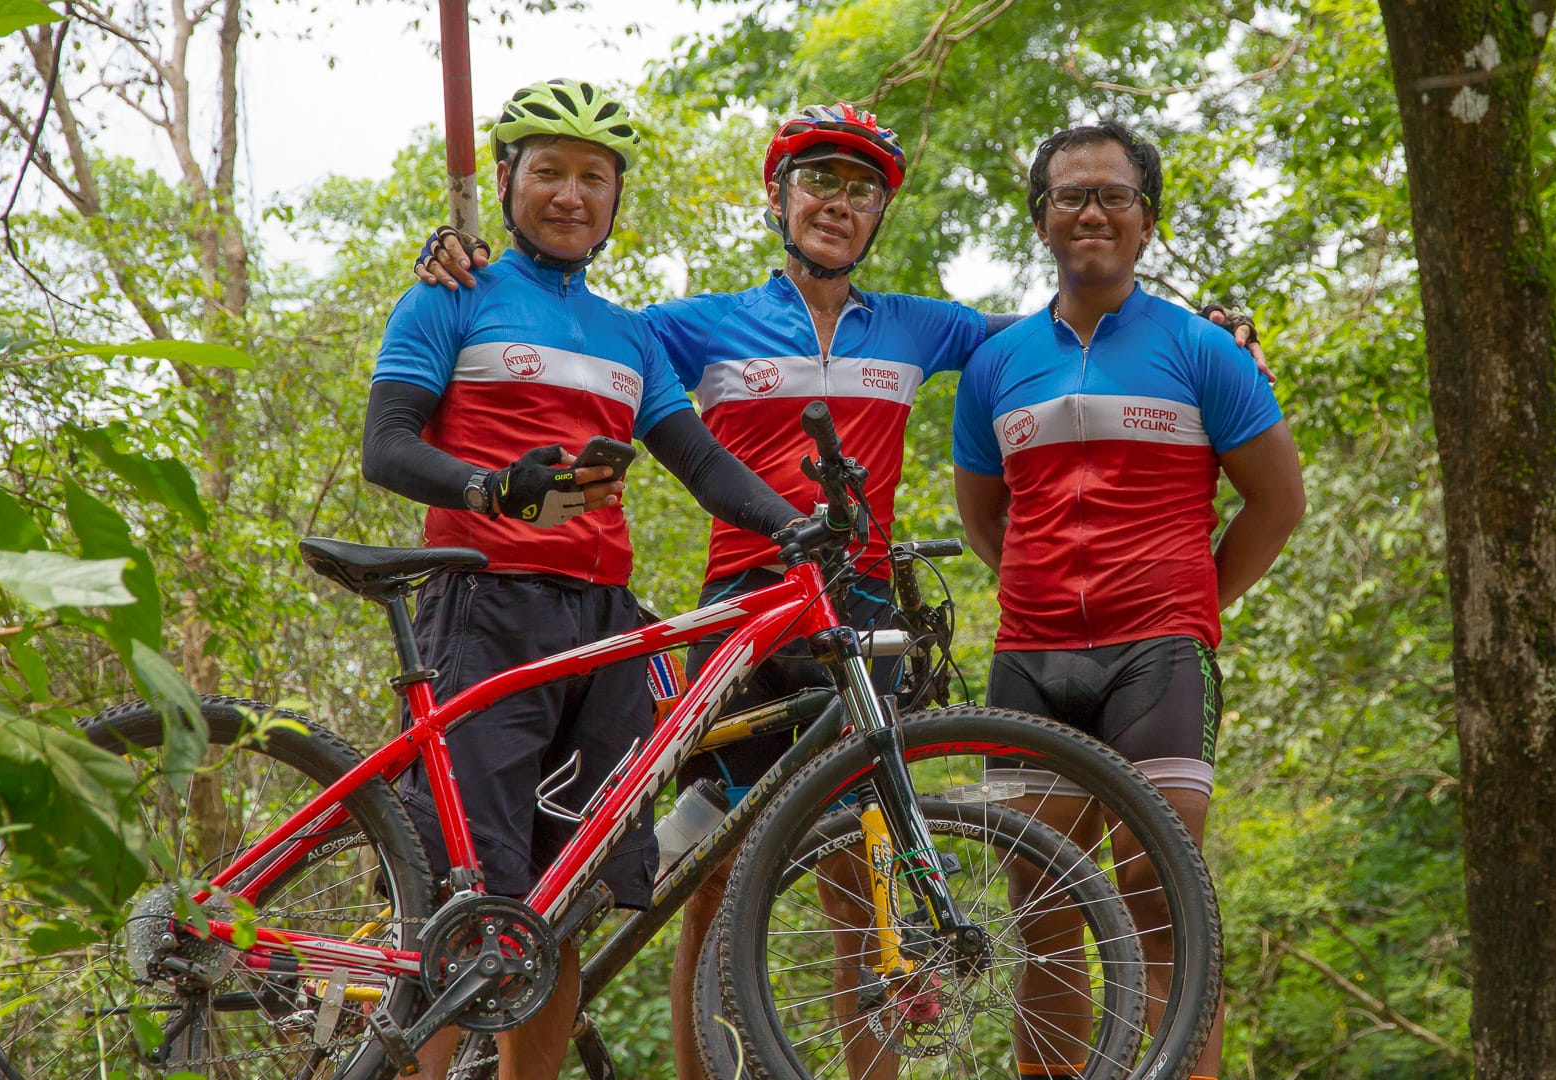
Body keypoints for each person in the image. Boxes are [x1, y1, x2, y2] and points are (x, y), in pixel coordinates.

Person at [414, 102, 1273, 1080]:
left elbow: (1067, 325)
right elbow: (569, 322)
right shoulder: (698, 326)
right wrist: (461, 268)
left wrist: (1210, 329)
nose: (838, 202)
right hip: (740, 610)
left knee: (857, 884)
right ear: (778, 196)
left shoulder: (922, 328)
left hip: (855, 615)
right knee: (712, 873)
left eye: (861, 188)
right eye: (819, 180)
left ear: (879, 213)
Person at [360, 78, 802, 1080]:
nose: (570, 194)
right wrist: (491, 487)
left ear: (615, 200)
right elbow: (385, 447)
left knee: (559, 906)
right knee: (457, 899)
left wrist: (798, 522)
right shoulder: (452, 295)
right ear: (509, 182)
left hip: (601, 634)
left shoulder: (629, 335)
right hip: (482, 615)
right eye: (549, 172)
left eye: (592, 178)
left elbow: (701, 463)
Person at [951, 120, 1306, 1080]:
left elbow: (1278, 502)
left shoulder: (1202, 350)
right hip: (1029, 658)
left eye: (1112, 194)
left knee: (1161, 903)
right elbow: (987, 518)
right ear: (1042, 220)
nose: (1092, 211)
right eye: (1071, 195)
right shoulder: (996, 364)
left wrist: (1190, 601)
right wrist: (1039, 593)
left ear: (1146, 221)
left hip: (1158, 658)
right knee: (1043, 914)